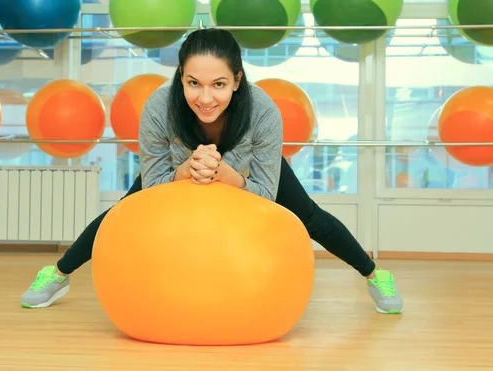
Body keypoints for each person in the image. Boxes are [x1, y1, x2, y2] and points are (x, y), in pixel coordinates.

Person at [21, 28, 403, 314]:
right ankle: (58, 273)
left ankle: (375, 276)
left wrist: (228, 176)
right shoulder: (159, 107)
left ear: (237, 81)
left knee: (309, 217)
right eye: (193, 83)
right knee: (123, 209)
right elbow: (153, 186)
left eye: (219, 84)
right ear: (180, 80)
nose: (205, 98)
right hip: (177, 168)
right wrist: (186, 169)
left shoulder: (263, 110)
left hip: (248, 170)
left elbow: (266, 194)